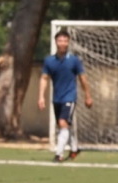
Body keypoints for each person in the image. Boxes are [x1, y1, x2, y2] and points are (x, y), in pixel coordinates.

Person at [38, 29, 93, 162]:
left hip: (70, 97)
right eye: (60, 40)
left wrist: (88, 95)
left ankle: (59, 154)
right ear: (56, 42)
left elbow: (82, 78)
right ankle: (74, 149)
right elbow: (44, 78)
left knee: (63, 123)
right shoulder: (49, 61)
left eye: (65, 41)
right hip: (57, 98)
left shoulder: (74, 60)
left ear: (68, 43)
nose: (62, 43)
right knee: (64, 125)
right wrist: (41, 96)